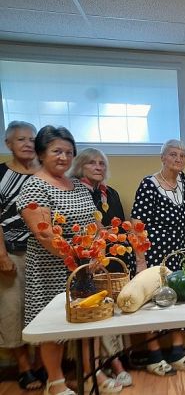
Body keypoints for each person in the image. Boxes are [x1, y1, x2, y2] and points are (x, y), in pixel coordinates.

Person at [18, 126, 121, 395]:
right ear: (41, 153)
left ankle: (91, 373)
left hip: (84, 268)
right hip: (51, 268)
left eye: (68, 152)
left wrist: (98, 252)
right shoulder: (34, 186)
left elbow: (93, 223)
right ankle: (56, 382)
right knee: (54, 326)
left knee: (90, 319)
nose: (63, 157)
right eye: (56, 151)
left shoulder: (77, 185)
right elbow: (45, 235)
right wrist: (77, 258)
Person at [131, 139, 185, 376]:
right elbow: (137, 225)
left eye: (182, 155)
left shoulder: (184, 184)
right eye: (173, 154)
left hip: (177, 253)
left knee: (178, 301)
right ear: (163, 157)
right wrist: (140, 261)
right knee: (152, 304)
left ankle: (178, 352)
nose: (178, 159)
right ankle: (154, 356)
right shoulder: (149, 184)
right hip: (153, 254)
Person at [68, 148, 133, 387]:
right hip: (82, 261)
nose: (98, 167)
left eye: (101, 164)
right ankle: (99, 369)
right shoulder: (74, 191)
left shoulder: (109, 193)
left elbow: (121, 230)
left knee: (111, 311)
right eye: (91, 163)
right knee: (93, 315)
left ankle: (114, 362)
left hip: (109, 262)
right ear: (79, 167)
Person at [0, 122, 42, 391]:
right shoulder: (1, 174)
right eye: (21, 139)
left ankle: (43, 366)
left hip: (44, 256)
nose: (27, 143)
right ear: (8, 144)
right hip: (12, 253)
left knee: (42, 312)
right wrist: (1, 254)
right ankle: (25, 369)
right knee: (12, 310)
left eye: (32, 139)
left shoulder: (45, 173)